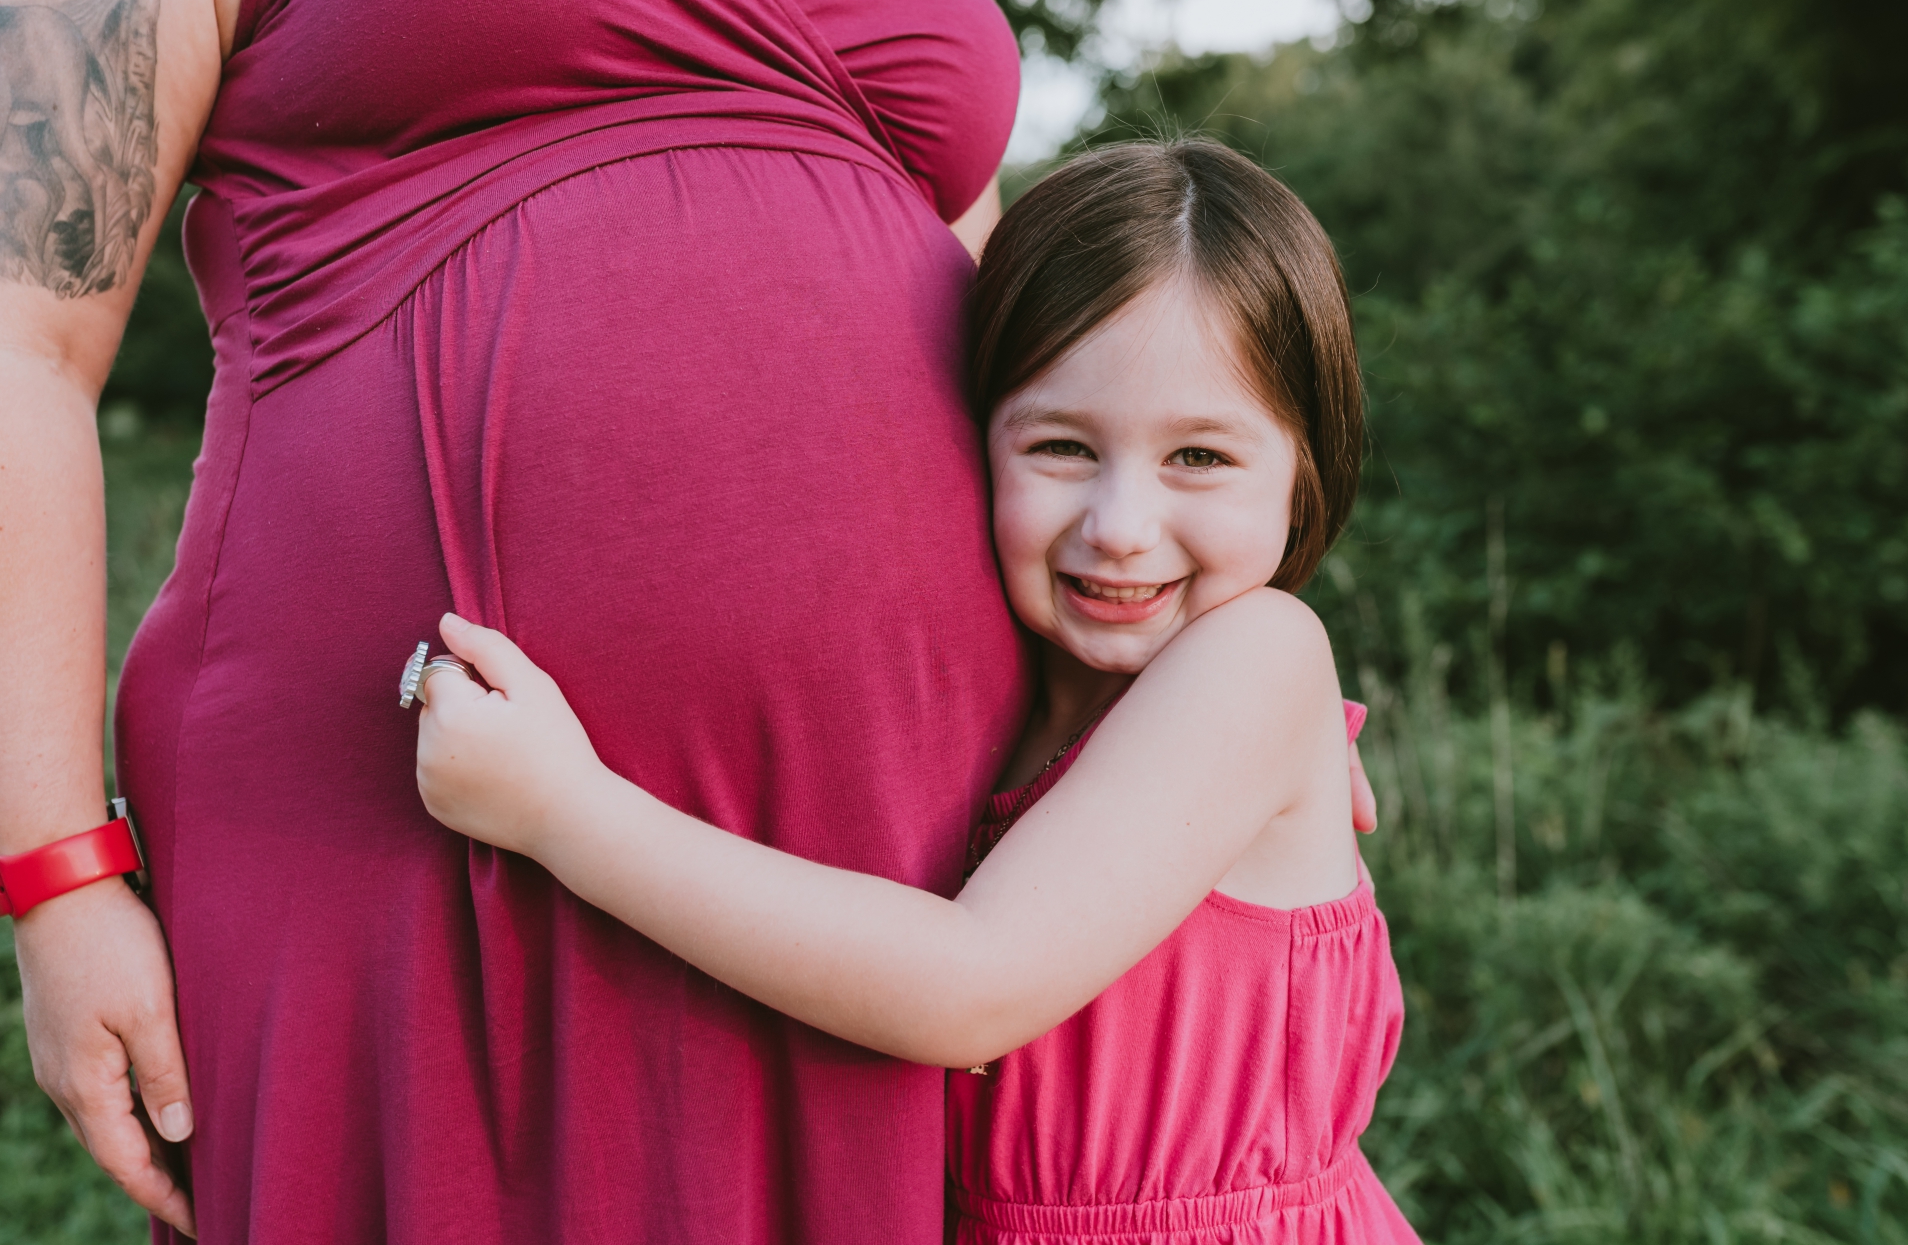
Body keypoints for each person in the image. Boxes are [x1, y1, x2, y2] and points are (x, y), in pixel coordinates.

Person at [0, 0, 1033, 1239]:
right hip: (394, 818)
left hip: (890, 840)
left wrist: (1209, 680)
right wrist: (59, 877)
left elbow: (1027, 368)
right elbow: (6, 333)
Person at [413, 140, 1421, 1242]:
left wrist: (563, 810)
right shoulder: (1005, 677)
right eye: (1060, 446)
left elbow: (971, 987)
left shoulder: (1259, 654)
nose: (1120, 525)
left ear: (1303, 472)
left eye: (1198, 458)